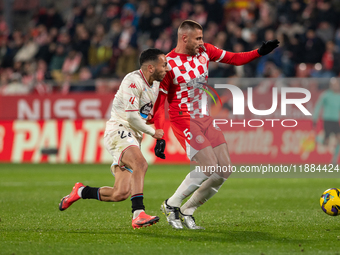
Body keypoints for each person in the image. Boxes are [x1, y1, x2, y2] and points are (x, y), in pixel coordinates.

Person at [151, 20, 279, 229]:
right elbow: (159, 103)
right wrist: (159, 133)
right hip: (183, 118)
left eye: (202, 38)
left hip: (205, 118)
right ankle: (171, 204)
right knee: (209, 166)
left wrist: (259, 52)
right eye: (198, 38)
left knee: (225, 170)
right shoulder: (168, 64)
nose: (202, 42)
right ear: (184, 38)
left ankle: (188, 209)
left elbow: (235, 59)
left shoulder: (205, 51)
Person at [59, 48, 169, 229]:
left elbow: (145, 113)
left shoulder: (156, 83)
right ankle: (138, 214)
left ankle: (80, 191)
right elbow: (132, 117)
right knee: (141, 164)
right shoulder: (132, 81)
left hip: (133, 136)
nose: (166, 68)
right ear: (151, 68)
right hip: (118, 130)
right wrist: (153, 133)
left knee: (120, 193)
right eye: (163, 65)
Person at [313, 77, 340, 164]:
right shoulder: (326, 95)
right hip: (327, 119)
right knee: (326, 143)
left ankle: (334, 160)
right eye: (334, 85)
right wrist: (315, 117)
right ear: (331, 86)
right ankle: (317, 139)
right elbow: (318, 105)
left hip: (335, 120)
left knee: (339, 139)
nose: (336, 86)